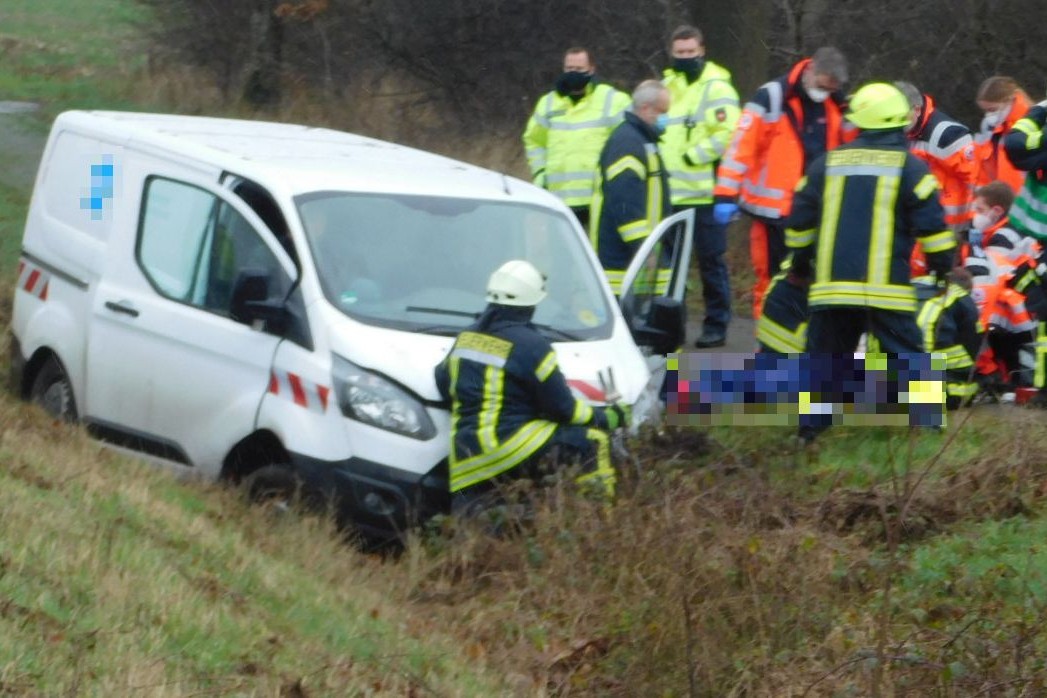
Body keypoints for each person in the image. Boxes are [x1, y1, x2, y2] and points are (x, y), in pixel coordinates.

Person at [785, 82, 957, 441]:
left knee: (825, 361)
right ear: (901, 122)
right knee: (909, 359)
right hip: (887, 292)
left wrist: (801, 267)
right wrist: (943, 268)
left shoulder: (825, 165)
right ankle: (928, 431)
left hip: (831, 289)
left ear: (858, 121)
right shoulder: (912, 170)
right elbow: (934, 232)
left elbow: (799, 223)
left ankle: (809, 436)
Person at [434, 260, 629, 514]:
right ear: (531, 303)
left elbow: (443, 381)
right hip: (508, 446)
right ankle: (597, 520)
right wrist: (608, 417)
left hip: (465, 456)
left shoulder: (466, 337)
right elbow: (564, 410)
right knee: (592, 442)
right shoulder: (533, 346)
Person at [714, 47, 852, 319]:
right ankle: (768, 349)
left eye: (830, 89)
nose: (823, 93)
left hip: (818, 210)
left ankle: (804, 349)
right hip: (774, 213)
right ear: (811, 70)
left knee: (813, 283)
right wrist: (725, 194)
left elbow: (852, 144)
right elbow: (741, 147)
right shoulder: (772, 96)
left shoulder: (836, 103)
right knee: (771, 282)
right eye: (823, 86)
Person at [660, 24, 740, 347]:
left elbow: (728, 133)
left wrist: (695, 156)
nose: (685, 58)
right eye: (679, 53)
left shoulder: (718, 87)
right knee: (671, 267)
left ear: (702, 50)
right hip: (671, 194)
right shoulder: (668, 85)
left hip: (704, 194)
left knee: (711, 262)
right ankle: (670, 324)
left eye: (690, 52)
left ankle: (717, 324)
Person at [522, 48, 631, 229]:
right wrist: (540, 172)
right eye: (569, 68)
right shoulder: (548, 103)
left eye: (579, 69)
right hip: (559, 199)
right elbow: (533, 141)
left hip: (598, 198)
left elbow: (627, 142)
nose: (573, 74)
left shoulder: (613, 101)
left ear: (592, 69)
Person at [590, 80, 672, 296]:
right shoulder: (628, 142)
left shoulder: (642, 139)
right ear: (645, 109)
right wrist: (643, 246)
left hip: (634, 256)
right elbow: (625, 201)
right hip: (623, 258)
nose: (666, 118)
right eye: (663, 111)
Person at [896, 81, 977, 232]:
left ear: (917, 110)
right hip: (918, 227)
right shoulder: (904, 132)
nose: (897, 123)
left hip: (952, 230)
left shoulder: (947, 135)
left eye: (901, 116)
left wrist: (975, 228)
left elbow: (977, 181)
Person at [974, 76, 1032, 194]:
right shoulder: (992, 128)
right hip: (1000, 200)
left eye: (992, 109)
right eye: (985, 110)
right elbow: (984, 164)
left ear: (1009, 100)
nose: (988, 115)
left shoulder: (1033, 127)